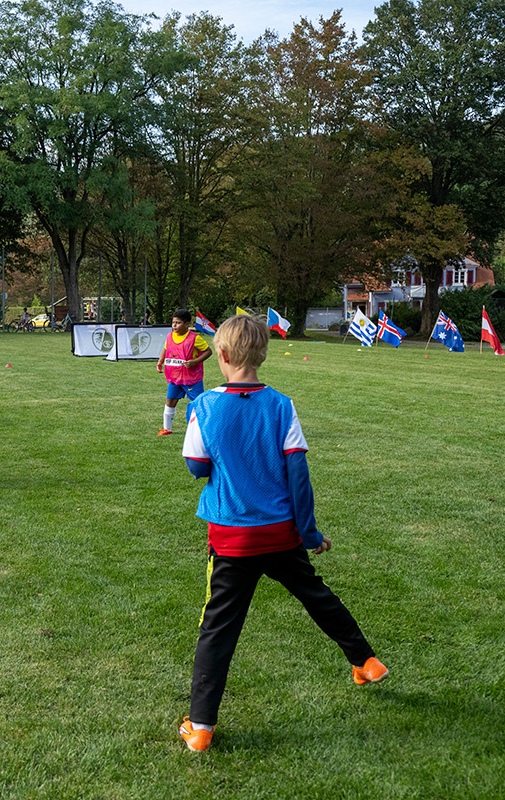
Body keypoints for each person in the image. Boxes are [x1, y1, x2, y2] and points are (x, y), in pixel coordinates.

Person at [176, 314, 387, 753]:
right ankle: (366, 661)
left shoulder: (204, 407)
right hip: (281, 535)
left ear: (224, 356)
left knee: (218, 628)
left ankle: (200, 727)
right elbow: (298, 473)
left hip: (233, 538)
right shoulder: (282, 405)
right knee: (317, 596)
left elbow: (196, 466)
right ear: (262, 355)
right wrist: (308, 533)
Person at [155, 308, 212, 437]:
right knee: (170, 401)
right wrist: (160, 360)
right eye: (173, 322)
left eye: (178, 323)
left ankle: (203, 429)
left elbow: (208, 352)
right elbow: (166, 348)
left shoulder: (195, 339)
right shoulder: (170, 336)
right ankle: (166, 429)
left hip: (192, 378)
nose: (174, 325)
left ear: (187, 324)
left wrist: (194, 362)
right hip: (175, 378)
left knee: (198, 403)